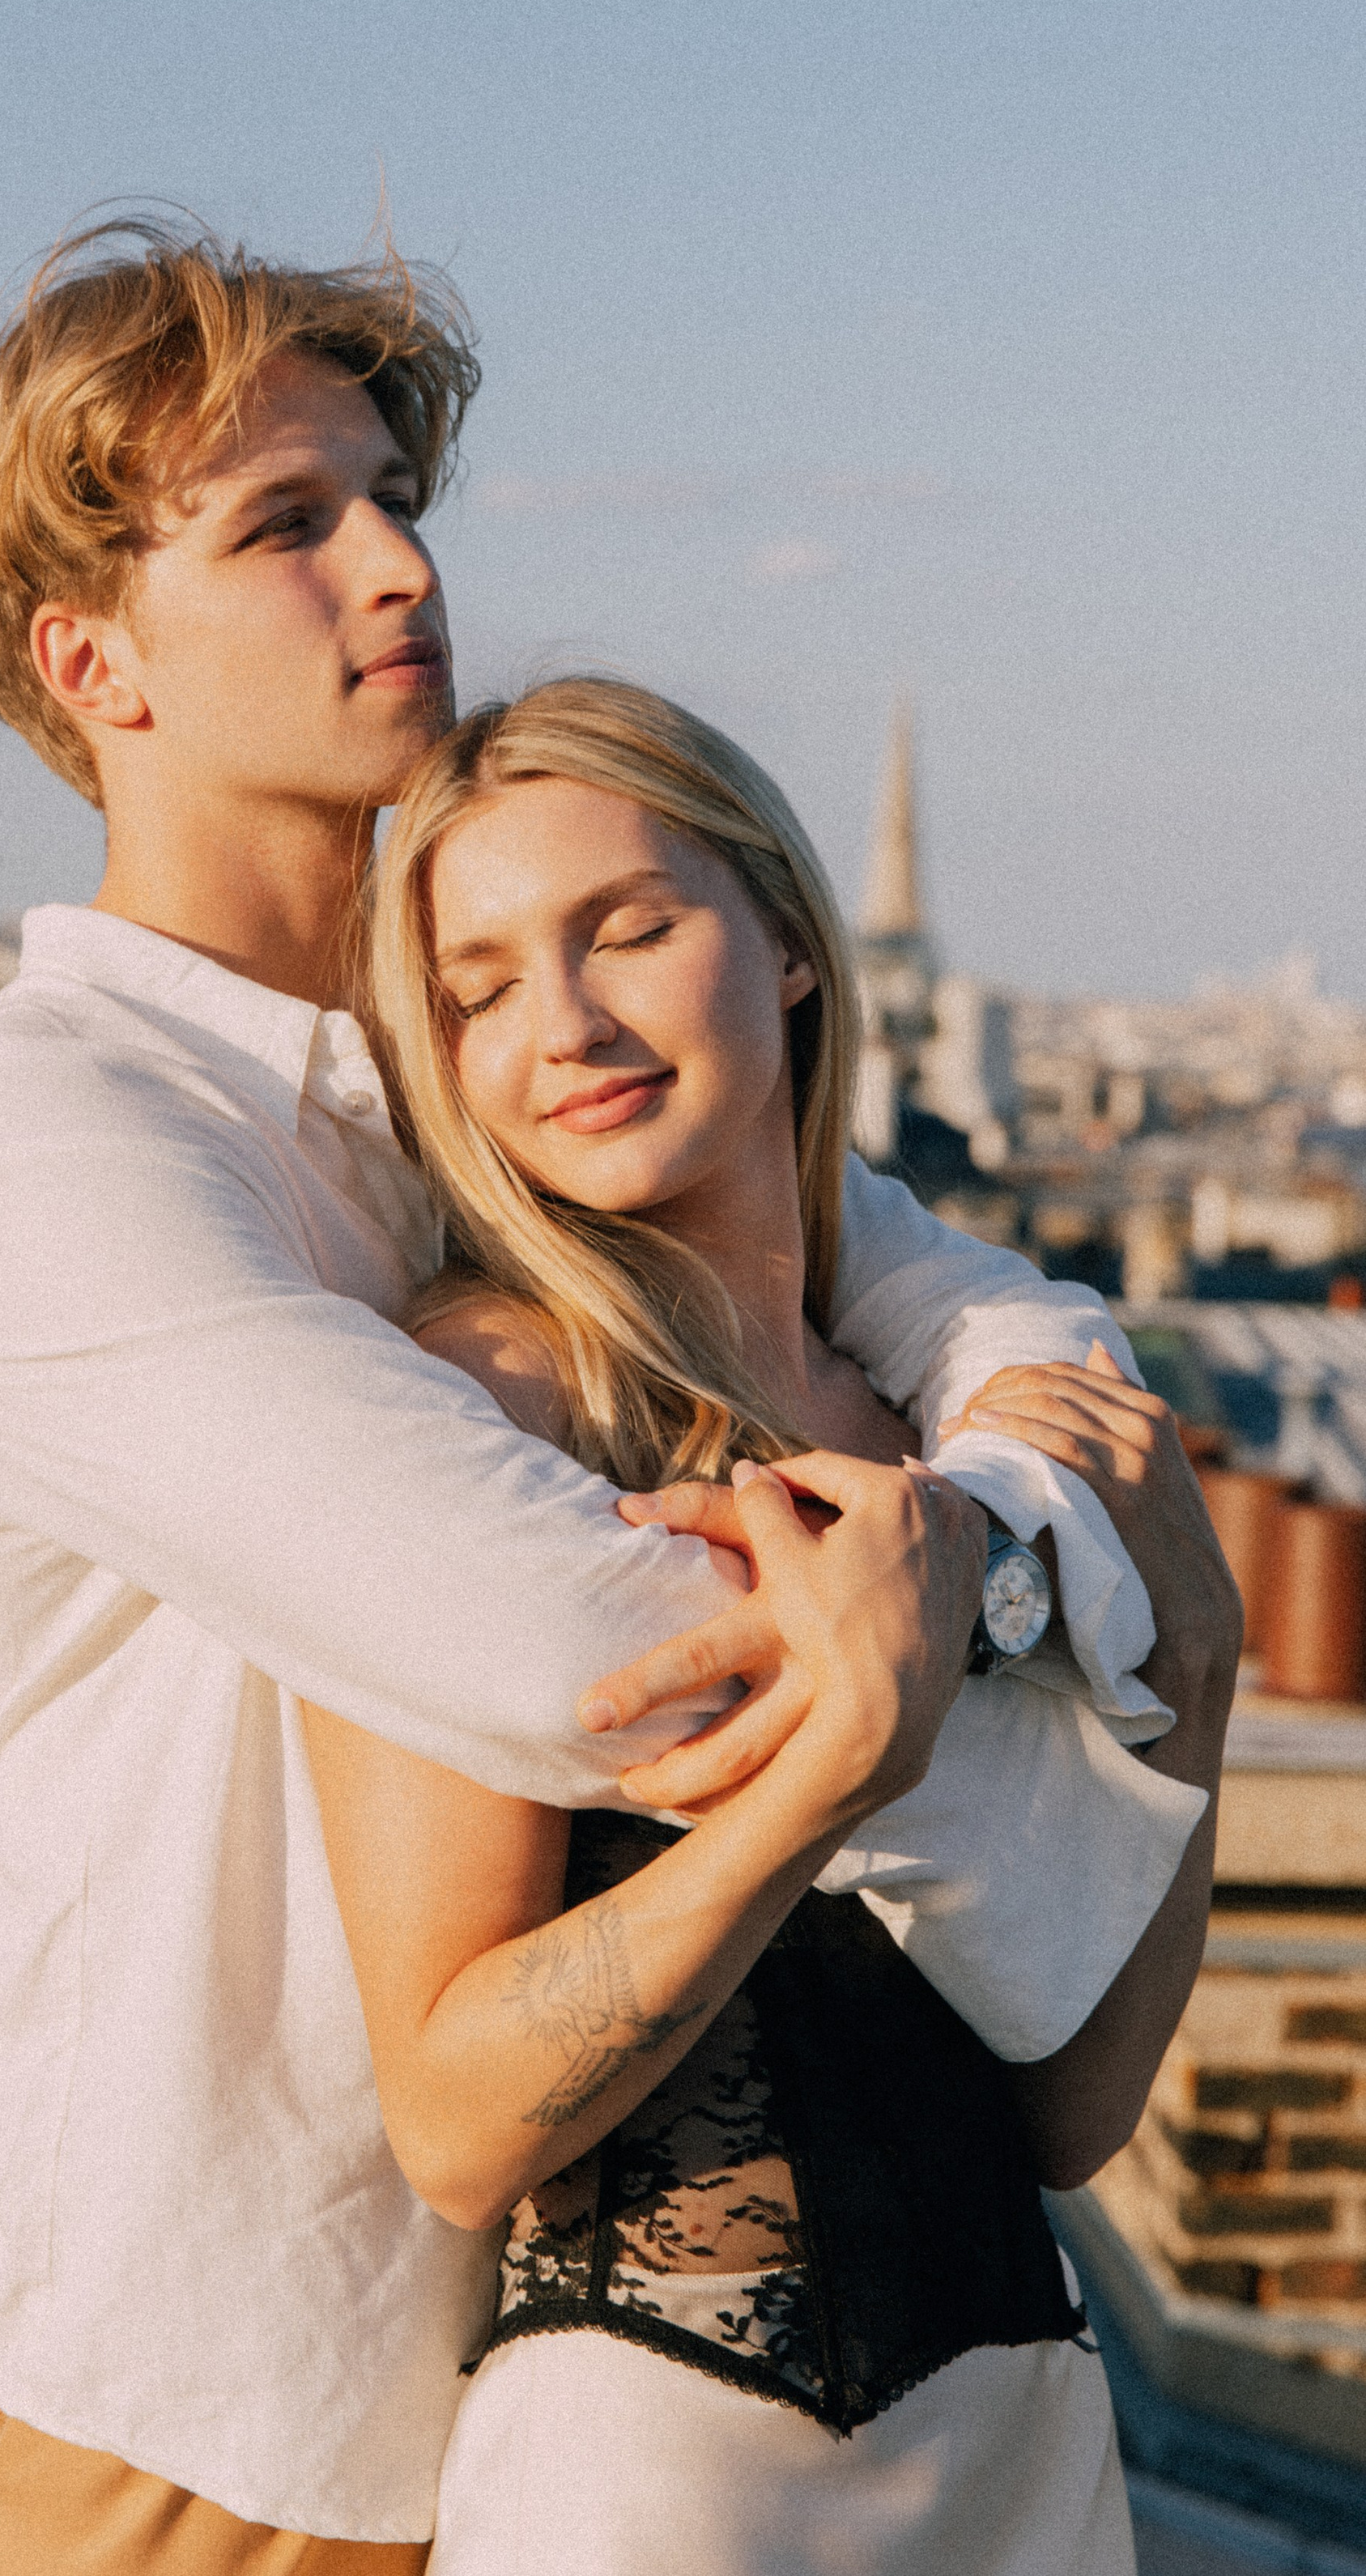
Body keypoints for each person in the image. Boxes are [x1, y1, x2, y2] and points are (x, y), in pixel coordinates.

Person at [0, 219, 1210, 2574]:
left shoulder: (470, 1070)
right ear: (93, 660)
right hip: (219, 2402)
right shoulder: (54, 1150)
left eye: (392, 496)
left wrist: (1015, 1536)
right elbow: (585, 1647)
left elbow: (979, 1308)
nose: (398, 565)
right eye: (286, 524)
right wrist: (1068, 1598)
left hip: (548, 2376)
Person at [294, 678, 1239, 2574]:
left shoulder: (940, 1433)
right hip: (665, 2472)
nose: (561, 1020)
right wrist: (823, 1777)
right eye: (478, 986)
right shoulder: (476, 1407)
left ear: (790, 941)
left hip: (1022, 2437)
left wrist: (1195, 1679)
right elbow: (458, 2122)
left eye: (627, 926)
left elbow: (1068, 2110)